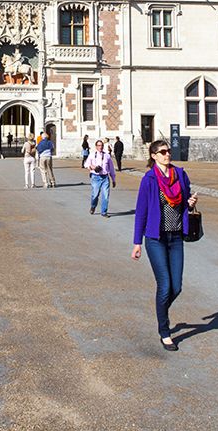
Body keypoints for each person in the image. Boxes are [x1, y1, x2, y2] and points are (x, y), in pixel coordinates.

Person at [131, 138, 198, 351]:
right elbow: (141, 212)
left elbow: (185, 198)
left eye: (168, 151)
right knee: (165, 284)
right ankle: (164, 331)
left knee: (177, 287)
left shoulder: (180, 174)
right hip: (155, 239)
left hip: (176, 237)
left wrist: (191, 203)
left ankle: (162, 311)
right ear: (153, 156)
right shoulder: (149, 179)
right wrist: (136, 243)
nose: (167, 154)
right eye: (162, 152)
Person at [84, 138, 117, 217]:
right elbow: (86, 164)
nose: (100, 147)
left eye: (101, 145)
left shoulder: (107, 156)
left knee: (105, 195)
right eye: (98, 146)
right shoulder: (92, 155)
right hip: (95, 177)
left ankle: (104, 212)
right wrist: (92, 167)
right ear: (96, 147)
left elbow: (111, 168)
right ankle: (93, 206)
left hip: (105, 177)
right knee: (95, 195)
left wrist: (113, 179)